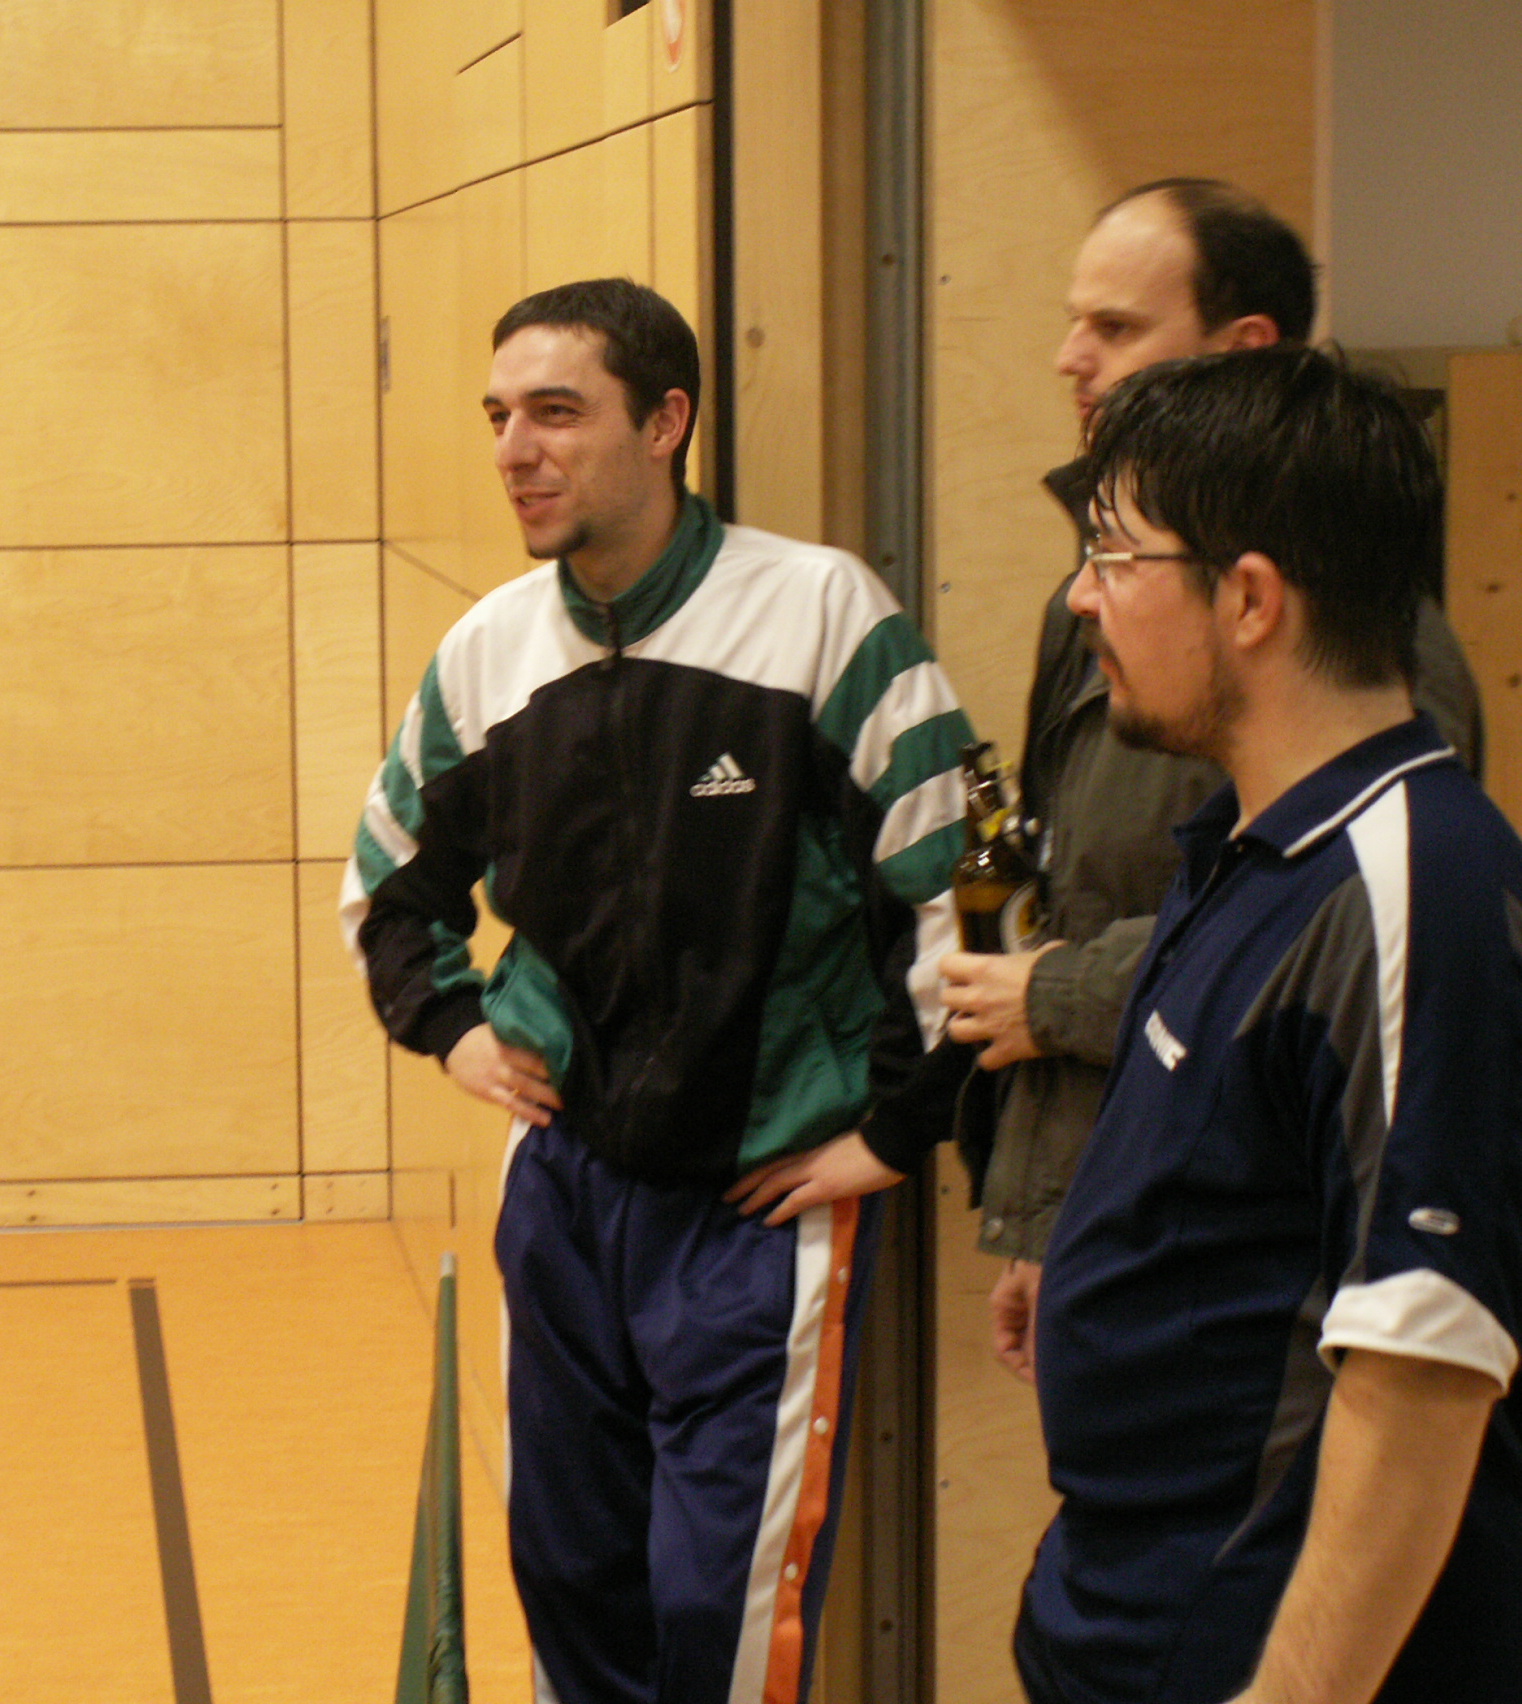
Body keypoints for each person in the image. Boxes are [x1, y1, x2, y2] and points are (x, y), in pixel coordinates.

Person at [342, 278, 971, 1704]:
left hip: (759, 1203)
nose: (515, 451)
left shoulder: (821, 614)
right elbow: (388, 885)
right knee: (571, 1574)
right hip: (567, 1195)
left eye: (557, 413)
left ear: (667, 421)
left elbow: (953, 890)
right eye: (499, 417)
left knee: (714, 1608)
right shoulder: (491, 649)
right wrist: (449, 1026)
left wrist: (896, 1125)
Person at [1019, 343, 1521, 1703]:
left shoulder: (1417, 882)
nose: (1082, 597)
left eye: (1113, 554)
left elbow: (1424, 1359)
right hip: (1123, 1620)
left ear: (1247, 598)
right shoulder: (1248, 853)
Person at [938, 180, 1482, 1381]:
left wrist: (1058, 995)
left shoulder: (1375, 652)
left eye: (1115, 327)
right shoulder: (1086, 614)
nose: (1069, 359)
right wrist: (1042, 1220)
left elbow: (1327, 946)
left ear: (1243, 351)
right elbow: (1078, 897)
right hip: (1114, 1205)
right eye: (1073, 322)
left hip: (1246, 1268)